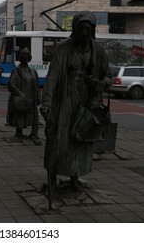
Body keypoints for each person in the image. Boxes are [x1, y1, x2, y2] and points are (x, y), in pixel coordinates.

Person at [39, 11, 112, 191]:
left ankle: (74, 178)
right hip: (63, 101)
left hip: (87, 103)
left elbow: (108, 77)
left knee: (81, 141)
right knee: (58, 139)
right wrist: (46, 102)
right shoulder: (63, 48)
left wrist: (101, 83)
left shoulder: (99, 50)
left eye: (88, 28)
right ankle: (52, 179)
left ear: (92, 29)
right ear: (75, 29)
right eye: (81, 28)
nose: (84, 32)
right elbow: (52, 77)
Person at [7, 48, 42, 145]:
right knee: (21, 116)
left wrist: (38, 96)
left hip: (32, 97)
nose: (26, 58)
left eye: (27, 56)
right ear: (20, 58)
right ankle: (19, 133)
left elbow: (37, 85)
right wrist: (19, 93)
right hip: (23, 98)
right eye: (24, 56)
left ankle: (34, 134)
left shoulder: (33, 71)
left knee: (35, 118)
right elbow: (11, 84)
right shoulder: (16, 71)